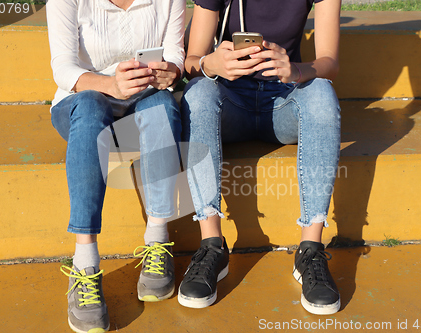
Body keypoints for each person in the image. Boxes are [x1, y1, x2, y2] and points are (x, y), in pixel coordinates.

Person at [180, 0, 342, 314]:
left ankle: (310, 248)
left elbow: (330, 63)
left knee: (322, 92)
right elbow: (192, 62)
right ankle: (212, 244)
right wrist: (213, 64)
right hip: (230, 103)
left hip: (284, 102)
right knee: (199, 93)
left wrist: (296, 70)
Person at [47, 0, 185, 331]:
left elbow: (176, 54)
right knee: (93, 103)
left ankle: (157, 241)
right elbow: (63, 69)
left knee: (163, 104)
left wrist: (170, 72)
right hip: (84, 102)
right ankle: (85, 264)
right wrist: (110, 85)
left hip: (142, 98)